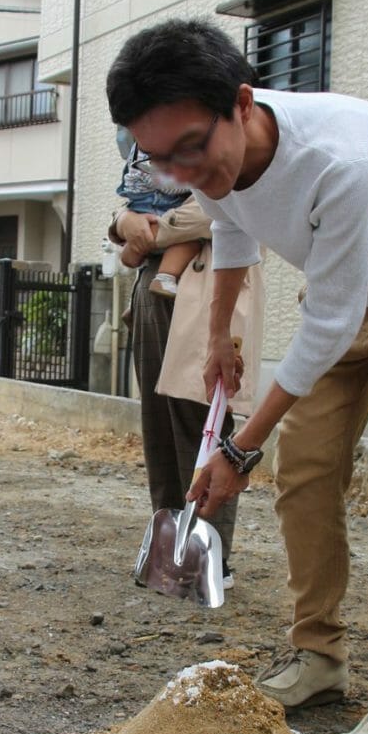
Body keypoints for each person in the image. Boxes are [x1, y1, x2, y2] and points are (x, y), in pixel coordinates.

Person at [107, 18, 368, 734]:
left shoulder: (337, 157)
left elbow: (329, 320)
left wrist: (241, 446)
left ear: (242, 104)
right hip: (351, 302)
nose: (184, 167)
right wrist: (220, 335)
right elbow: (232, 227)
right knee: (308, 473)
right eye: (161, 159)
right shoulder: (207, 164)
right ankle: (319, 655)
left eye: (193, 145)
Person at [110, 127, 261, 591]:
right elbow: (128, 214)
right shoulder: (157, 156)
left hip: (210, 293)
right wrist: (121, 221)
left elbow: (215, 213)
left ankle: (212, 555)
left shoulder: (228, 153)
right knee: (159, 425)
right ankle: (170, 549)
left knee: (205, 422)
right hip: (155, 292)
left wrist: (142, 230)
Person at [115, 140, 201, 297]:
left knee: (187, 230)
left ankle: (133, 251)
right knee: (189, 236)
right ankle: (165, 276)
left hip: (144, 203)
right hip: (155, 202)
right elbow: (167, 184)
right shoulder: (151, 144)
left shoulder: (150, 137)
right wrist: (197, 183)